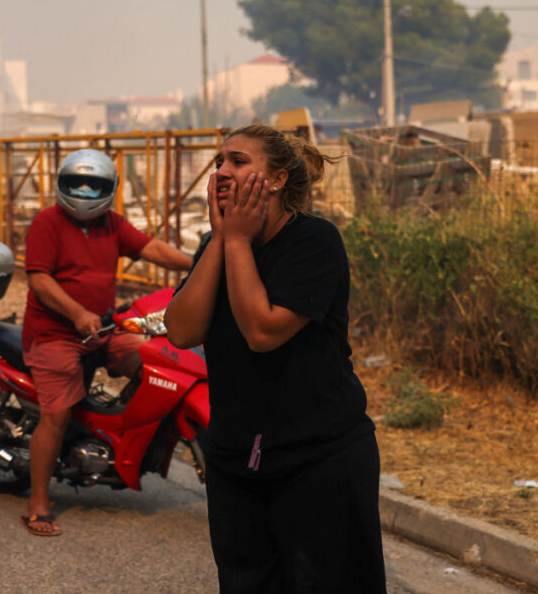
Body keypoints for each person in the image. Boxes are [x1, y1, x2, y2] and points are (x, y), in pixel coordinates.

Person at [164, 124, 386, 592]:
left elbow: (263, 331)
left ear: (279, 179)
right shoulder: (216, 246)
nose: (222, 172)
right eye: (219, 162)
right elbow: (182, 330)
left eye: (238, 162)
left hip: (318, 459)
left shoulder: (314, 242)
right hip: (235, 461)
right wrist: (222, 239)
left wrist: (238, 242)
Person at [21, 148, 191, 537]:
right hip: (56, 334)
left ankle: (120, 442)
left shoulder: (111, 224)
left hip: (105, 329)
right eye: (75, 183)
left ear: (109, 188)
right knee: (57, 415)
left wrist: (196, 262)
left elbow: (151, 248)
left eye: (93, 184)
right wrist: (77, 313)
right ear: (61, 184)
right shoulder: (47, 222)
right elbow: (39, 279)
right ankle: (39, 503)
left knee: (159, 365)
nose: (83, 191)